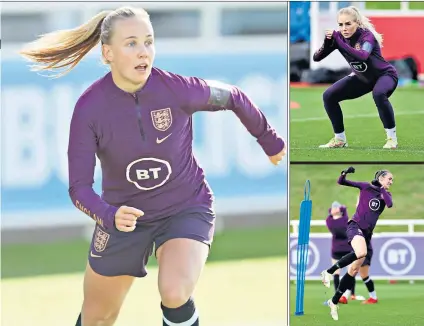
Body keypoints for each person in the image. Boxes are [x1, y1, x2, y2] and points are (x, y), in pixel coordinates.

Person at [19, 7, 286, 326]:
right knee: (97, 318)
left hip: (185, 208)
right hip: (121, 220)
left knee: (174, 292)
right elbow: (79, 188)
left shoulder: (177, 88)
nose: (143, 51)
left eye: (149, 42)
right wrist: (110, 215)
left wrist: (270, 141)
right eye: (131, 43)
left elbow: (234, 97)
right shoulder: (89, 108)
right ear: (108, 53)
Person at [313, 6, 398, 150]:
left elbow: (362, 56)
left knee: (378, 94)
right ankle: (340, 139)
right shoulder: (340, 37)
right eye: (340, 25)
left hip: (385, 76)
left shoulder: (366, 36)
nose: (344, 28)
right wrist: (327, 44)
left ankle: (392, 139)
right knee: (329, 96)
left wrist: (338, 41)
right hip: (363, 79)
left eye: (348, 24)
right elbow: (316, 57)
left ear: (357, 23)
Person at [321, 167, 393, 321]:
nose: (391, 182)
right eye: (389, 179)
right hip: (355, 226)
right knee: (361, 253)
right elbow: (342, 181)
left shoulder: (385, 194)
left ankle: (333, 302)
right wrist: (344, 173)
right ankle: (329, 271)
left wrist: (382, 189)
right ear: (381, 178)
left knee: (353, 270)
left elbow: (389, 204)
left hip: (367, 234)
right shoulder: (365, 186)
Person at [325, 201, 377, 305]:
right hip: (357, 248)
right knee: (354, 271)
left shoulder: (362, 219)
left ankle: (370, 297)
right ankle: (345, 296)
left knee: (358, 273)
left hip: (363, 249)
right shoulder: (352, 220)